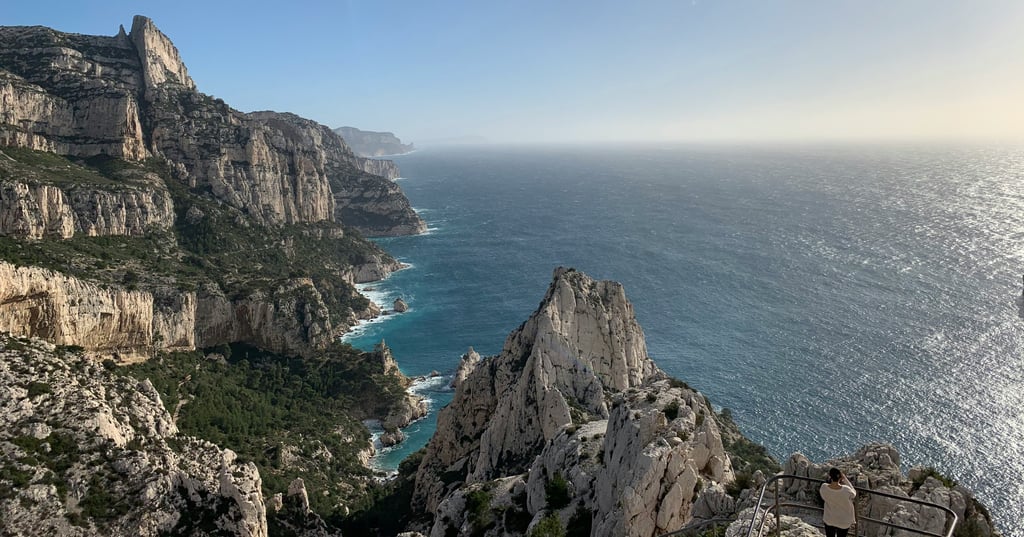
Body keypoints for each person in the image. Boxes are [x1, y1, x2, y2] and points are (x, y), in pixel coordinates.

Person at [820, 467, 856, 537]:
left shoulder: (824, 487)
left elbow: (823, 497)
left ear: (830, 476)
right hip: (844, 521)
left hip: (829, 518)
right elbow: (854, 494)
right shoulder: (846, 490)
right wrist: (845, 479)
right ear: (840, 477)